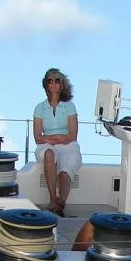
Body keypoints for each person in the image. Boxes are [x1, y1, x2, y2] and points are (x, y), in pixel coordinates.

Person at [33, 67, 79, 215]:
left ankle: (61, 203)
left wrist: (55, 139)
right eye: (50, 81)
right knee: (48, 153)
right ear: (46, 85)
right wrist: (57, 138)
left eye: (56, 80)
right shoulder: (39, 108)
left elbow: (72, 135)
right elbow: (38, 137)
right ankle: (53, 200)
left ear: (62, 84)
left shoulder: (69, 106)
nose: (53, 83)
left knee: (65, 169)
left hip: (67, 144)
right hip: (46, 145)